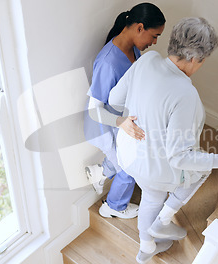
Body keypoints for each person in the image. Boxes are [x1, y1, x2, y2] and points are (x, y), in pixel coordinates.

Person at [108, 17, 218, 263]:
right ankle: (164, 220)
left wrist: (132, 120)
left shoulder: (147, 60)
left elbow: (115, 99)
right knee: (201, 169)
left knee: (151, 196)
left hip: (127, 155)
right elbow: (180, 156)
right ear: (194, 58)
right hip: (154, 169)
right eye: (202, 61)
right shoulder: (186, 94)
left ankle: (147, 247)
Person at [83, 3, 166, 219]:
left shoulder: (134, 48)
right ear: (140, 28)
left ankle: (99, 173)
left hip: (120, 119)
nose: (155, 42)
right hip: (103, 125)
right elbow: (94, 110)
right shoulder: (108, 62)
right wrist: (123, 124)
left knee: (124, 157)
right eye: (154, 36)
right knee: (129, 167)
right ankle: (113, 207)